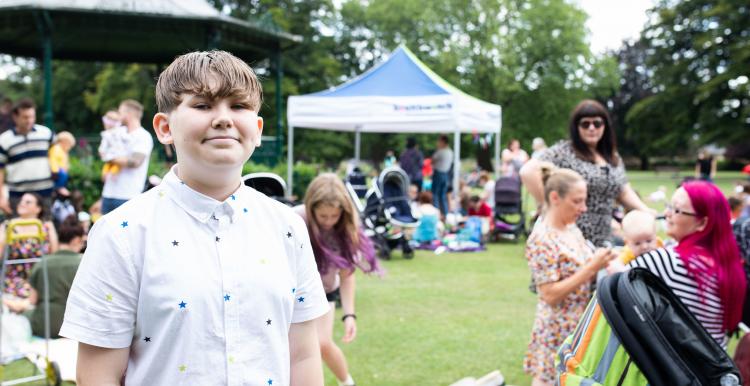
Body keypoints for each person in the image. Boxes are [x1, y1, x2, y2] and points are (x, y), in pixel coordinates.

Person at [60, 50, 329, 386]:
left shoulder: (288, 227)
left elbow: (302, 355)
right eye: (202, 105)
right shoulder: (121, 234)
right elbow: (97, 374)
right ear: (164, 127)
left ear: (257, 130)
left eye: (239, 106)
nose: (223, 119)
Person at [524, 165, 617, 385]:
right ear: (555, 197)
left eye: (584, 200)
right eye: (577, 201)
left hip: (578, 326)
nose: (583, 208)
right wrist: (592, 267)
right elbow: (549, 294)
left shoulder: (571, 228)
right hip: (556, 331)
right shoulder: (542, 239)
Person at [626, 181, 746, 348]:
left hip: (671, 369)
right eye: (669, 206)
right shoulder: (723, 265)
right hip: (704, 368)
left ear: (702, 223)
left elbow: (614, 284)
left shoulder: (671, 262)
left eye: (676, 210)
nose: (667, 213)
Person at [520, 99, 651, 247]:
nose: (591, 128)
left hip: (604, 237)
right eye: (585, 124)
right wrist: (548, 206)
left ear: (605, 126)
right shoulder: (564, 152)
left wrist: (645, 210)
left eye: (597, 123)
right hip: (572, 236)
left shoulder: (612, 156)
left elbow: (623, 191)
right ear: (576, 127)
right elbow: (527, 171)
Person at [294, 173, 380, 386]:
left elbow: (347, 274)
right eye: (323, 216)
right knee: (295, 349)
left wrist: (349, 315)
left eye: (334, 216)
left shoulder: (345, 227)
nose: (329, 222)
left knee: (322, 343)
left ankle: (346, 382)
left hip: (325, 291)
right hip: (294, 293)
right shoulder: (294, 220)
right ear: (311, 208)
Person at [3, 215, 84, 337]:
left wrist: (9, 303)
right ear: (76, 240)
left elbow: (32, 301)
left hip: (44, 324)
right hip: (75, 325)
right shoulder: (85, 264)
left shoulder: (42, 264)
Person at [0, 98, 56, 215]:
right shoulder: (4, 140)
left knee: (46, 229)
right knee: (16, 230)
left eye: (32, 116)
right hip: (18, 197)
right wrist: (1, 198)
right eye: (25, 117)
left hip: (44, 193)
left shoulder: (46, 133)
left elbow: (58, 154)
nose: (29, 120)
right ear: (15, 117)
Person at [99, 100, 154, 215]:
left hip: (128, 196)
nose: (118, 116)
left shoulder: (143, 136)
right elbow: (103, 151)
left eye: (120, 112)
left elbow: (134, 162)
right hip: (107, 194)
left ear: (128, 114)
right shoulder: (117, 132)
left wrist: (109, 158)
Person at [1, 192, 59, 298]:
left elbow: (54, 255)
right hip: (12, 281)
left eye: (28, 202)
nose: (22, 204)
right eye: (21, 201)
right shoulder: (8, 225)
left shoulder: (46, 226)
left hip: (39, 280)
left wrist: (51, 230)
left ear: (38, 208)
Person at [98, 109, 126, 181]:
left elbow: (103, 147)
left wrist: (102, 151)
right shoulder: (109, 134)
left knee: (112, 166)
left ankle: (109, 175)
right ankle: (109, 175)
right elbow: (103, 146)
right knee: (110, 166)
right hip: (115, 154)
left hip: (115, 154)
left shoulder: (117, 132)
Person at [48, 131, 76, 196]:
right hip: (57, 172)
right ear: (64, 142)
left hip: (60, 172)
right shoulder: (56, 148)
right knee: (63, 174)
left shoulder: (62, 150)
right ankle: (59, 187)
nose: (69, 148)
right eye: (69, 145)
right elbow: (53, 160)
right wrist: (55, 171)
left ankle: (61, 187)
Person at [431, 135, 453, 216]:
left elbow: (432, 161)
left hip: (438, 173)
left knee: (435, 195)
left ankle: (436, 214)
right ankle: (445, 214)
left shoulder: (440, 151)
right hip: (446, 174)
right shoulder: (450, 152)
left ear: (443, 142)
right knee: (443, 195)